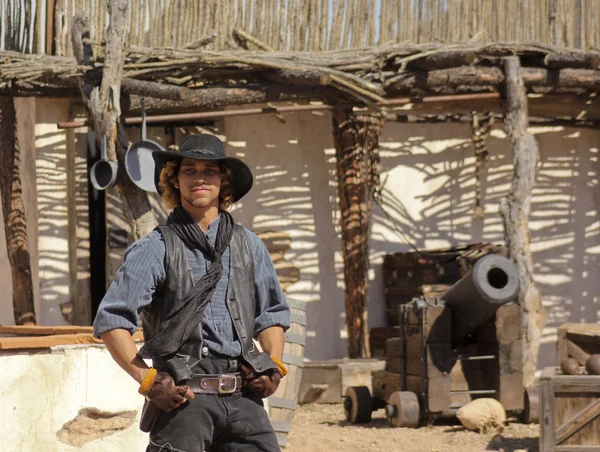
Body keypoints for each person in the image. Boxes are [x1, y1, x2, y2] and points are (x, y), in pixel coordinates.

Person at [93, 133, 290, 452]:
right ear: (175, 180)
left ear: (223, 182)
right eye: (189, 169)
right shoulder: (154, 248)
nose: (200, 178)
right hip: (184, 399)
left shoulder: (248, 245)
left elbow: (271, 317)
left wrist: (273, 364)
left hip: (244, 398)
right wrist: (148, 381)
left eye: (209, 170)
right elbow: (112, 320)